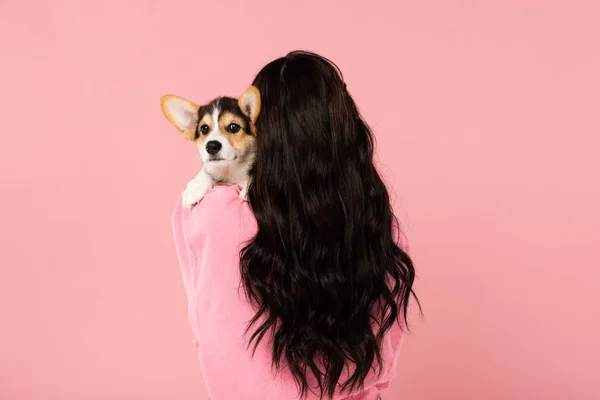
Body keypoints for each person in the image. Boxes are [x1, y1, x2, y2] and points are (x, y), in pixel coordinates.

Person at [171, 51, 417, 400]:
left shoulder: (209, 213)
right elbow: (384, 347)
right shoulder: (378, 222)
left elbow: (209, 330)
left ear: (263, 132)